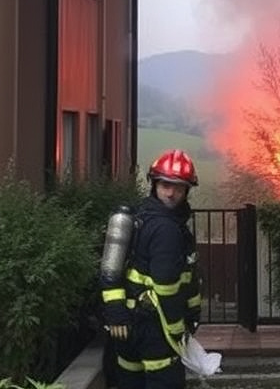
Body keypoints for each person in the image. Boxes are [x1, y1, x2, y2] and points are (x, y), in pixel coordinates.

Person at [102, 149, 203, 389]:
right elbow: (167, 285)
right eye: (165, 185)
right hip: (155, 329)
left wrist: (116, 312)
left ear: (187, 190)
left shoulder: (143, 214)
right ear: (154, 185)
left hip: (128, 323)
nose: (171, 193)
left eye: (178, 187)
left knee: (130, 382)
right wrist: (179, 329)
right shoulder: (167, 229)